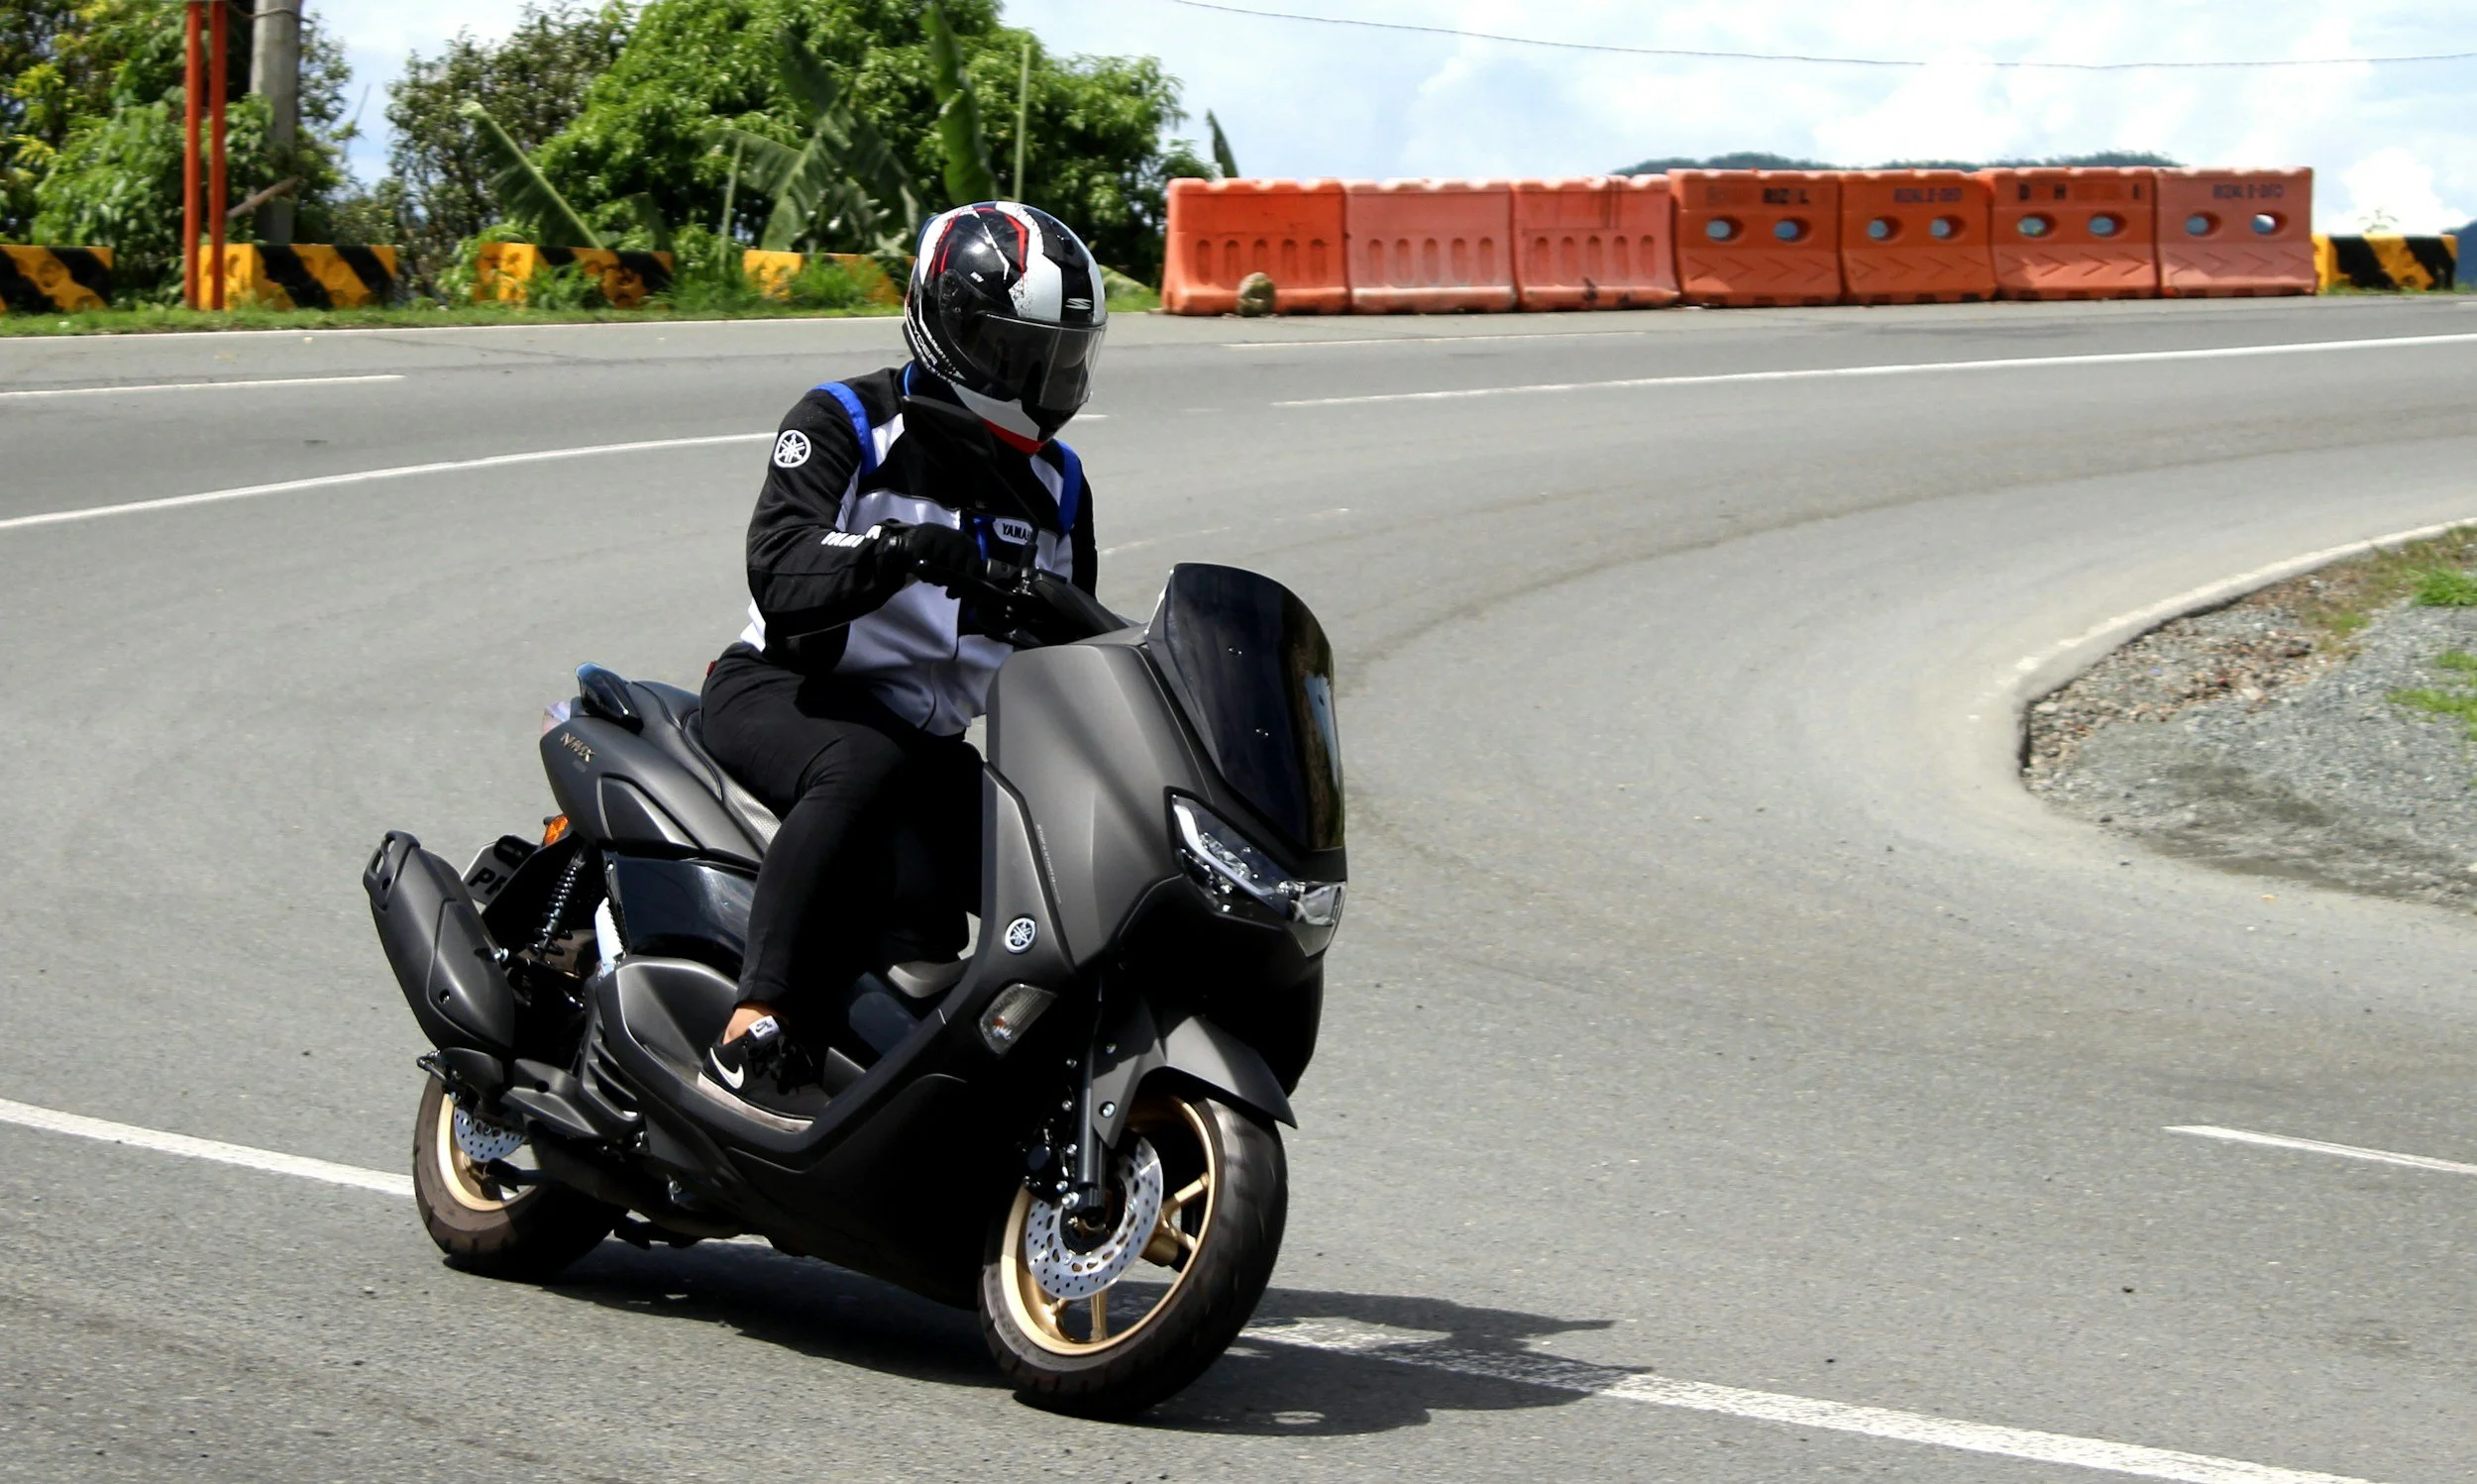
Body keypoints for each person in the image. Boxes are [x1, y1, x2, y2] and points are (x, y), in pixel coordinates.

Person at [697, 202, 1107, 1113]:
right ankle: (753, 1019)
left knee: (1055, 855)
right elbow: (779, 567)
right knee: (863, 763)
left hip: (928, 746)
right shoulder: (846, 418)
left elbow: (1071, 647)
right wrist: (894, 552)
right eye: (1025, 352)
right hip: (785, 691)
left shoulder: (1060, 484)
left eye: (1064, 355)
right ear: (955, 328)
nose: (1047, 377)